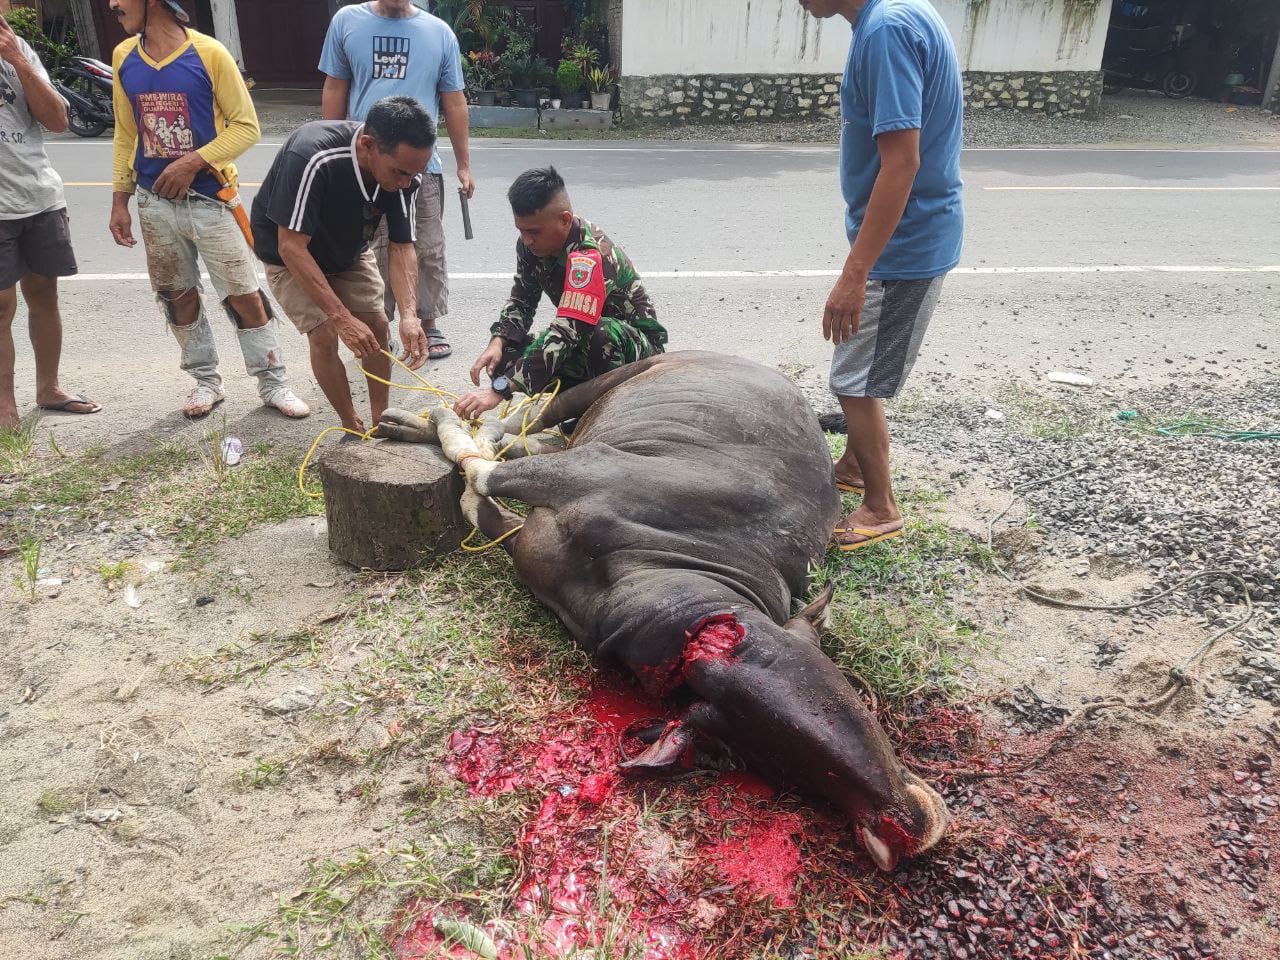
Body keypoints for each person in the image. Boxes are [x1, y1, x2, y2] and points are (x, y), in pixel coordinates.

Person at [801, 0, 963, 550]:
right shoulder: (892, 16)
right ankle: (853, 463)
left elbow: (902, 162)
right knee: (862, 367)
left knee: (852, 379)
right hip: (907, 238)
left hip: (904, 247)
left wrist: (855, 273)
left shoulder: (887, 30)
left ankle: (880, 505)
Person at [108, 0, 309, 420]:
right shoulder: (124, 56)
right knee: (177, 294)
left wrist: (192, 161)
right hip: (154, 203)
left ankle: (273, 383)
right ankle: (205, 382)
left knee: (244, 294)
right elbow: (127, 135)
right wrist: (120, 200)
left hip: (211, 200)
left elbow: (246, 126)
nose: (112, 4)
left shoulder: (209, 54)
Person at [250, 96, 434, 436]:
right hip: (289, 253)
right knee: (324, 333)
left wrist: (409, 314)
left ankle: (382, 421)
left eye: (415, 173)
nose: (408, 182)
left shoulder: (407, 175)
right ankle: (351, 425)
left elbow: (402, 246)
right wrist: (341, 317)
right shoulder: (313, 156)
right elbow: (291, 246)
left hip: (347, 248)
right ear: (368, 145)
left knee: (378, 325)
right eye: (401, 172)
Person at [319, 0, 474, 362]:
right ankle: (378, 325)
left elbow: (454, 102)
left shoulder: (439, 33)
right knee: (369, 249)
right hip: (367, 162)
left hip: (421, 165)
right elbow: (335, 88)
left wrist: (463, 164)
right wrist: (337, 151)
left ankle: (428, 322)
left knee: (426, 245)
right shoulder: (347, 22)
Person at [454, 167, 667, 420]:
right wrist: (498, 341)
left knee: (602, 334)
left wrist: (500, 389)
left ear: (564, 220)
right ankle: (573, 399)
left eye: (534, 232)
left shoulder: (591, 255)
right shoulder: (530, 246)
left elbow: (568, 330)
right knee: (505, 354)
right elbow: (522, 298)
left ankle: (604, 414)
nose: (527, 240)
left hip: (637, 354)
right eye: (521, 230)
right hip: (583, 340)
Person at [0, 15, 100, 429]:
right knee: (0, 306)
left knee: (44, 294)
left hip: (38, 196)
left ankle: (48, 388)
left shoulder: (19, 49)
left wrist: (17, 60)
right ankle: (4, 403)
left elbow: (58, 120)